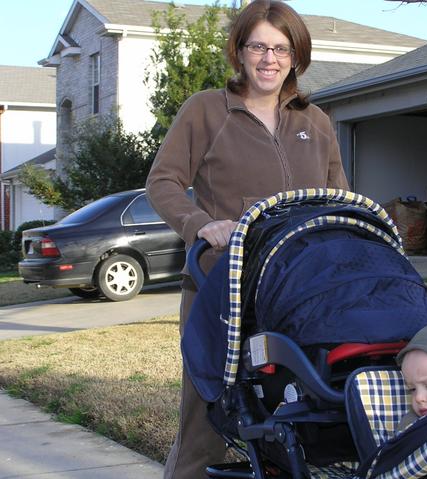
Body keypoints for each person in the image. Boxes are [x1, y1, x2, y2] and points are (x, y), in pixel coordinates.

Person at [145, 1, 350, 477]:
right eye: (257, 45)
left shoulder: (314, 121)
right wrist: (200, 224)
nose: (269, 58)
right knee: (207, 418)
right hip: (222, 285)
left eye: (281, 48)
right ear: (239, 51)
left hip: (296, 291)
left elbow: (339, 198)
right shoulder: (205, 111)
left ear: (296, 57)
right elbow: (163, 182)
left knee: (290, 418)